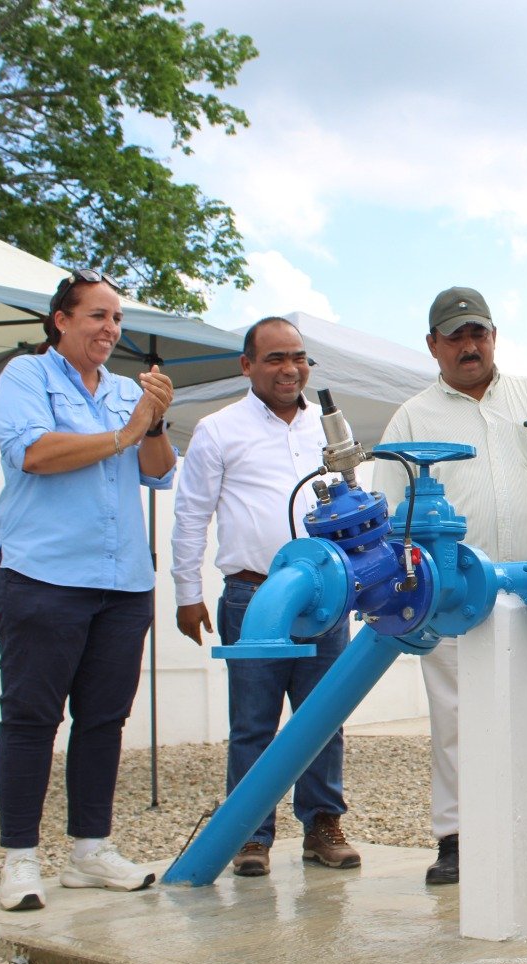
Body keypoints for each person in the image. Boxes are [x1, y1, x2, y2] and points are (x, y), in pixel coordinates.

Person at [372, 286, 527, 885]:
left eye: (479, 333)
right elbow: (391, 512)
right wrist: (405, 594)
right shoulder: (413, 417)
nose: (469, 346)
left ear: (494, 336)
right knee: (452, 714)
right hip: (448, 592)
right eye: (455, 336)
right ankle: (456, 838)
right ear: (432, 344)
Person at [0, 268, 176, 911]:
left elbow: (157, 472)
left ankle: (90, 851)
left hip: (121, 581)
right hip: (40, 574)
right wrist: (125, 431)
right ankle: (19, 859)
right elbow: (34, 453)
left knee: (103, 720)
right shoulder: (25, 377)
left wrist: (153, 424)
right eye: (97, 315)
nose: (111, 329)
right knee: (32, 717)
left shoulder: (127, 390)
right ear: (61, 321)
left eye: (116, 318)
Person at [171, 316, 360, 878]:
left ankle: (323, 824)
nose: (289, 369)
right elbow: (190, 514)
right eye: (275, 358)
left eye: (298, 357)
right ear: (246, 365)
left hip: (326, 596)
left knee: (322, 717)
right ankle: (250, 833)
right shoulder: (218, 429)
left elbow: (354, 503)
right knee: (254, 722)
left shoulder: (328, 430)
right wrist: (187, 592)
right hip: (253, 596)